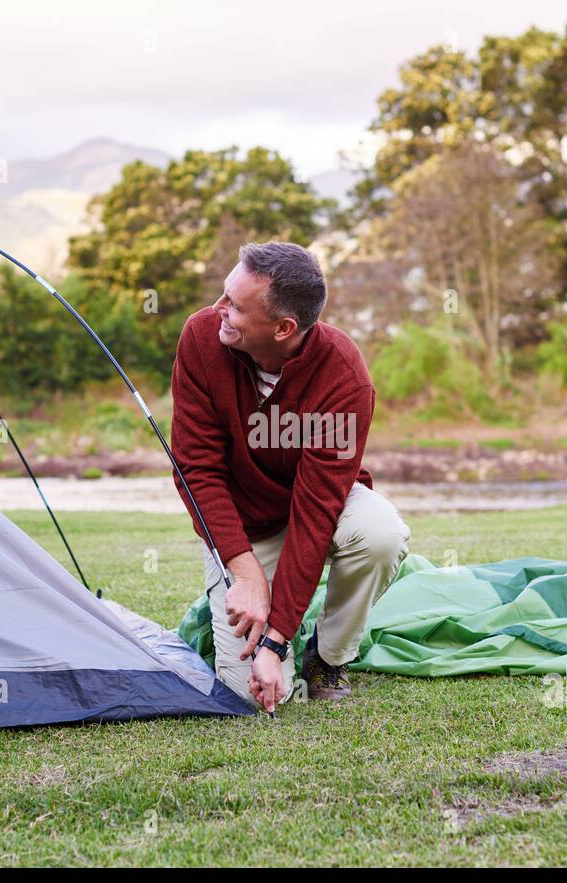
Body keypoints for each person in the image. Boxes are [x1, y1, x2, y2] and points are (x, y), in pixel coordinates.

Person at [170, 241, 410, 713]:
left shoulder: (344, 377)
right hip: (244, 523)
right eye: (224, 294)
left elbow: (317, 510)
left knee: (379, 533)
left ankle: (327, 655)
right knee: (246, 695)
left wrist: (276, 642)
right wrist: (246, 572)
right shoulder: (201, 338)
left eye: (235, 306)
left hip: (317, 505)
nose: (218, 310)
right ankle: (247, 602)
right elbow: (196, 469)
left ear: (284, 328)